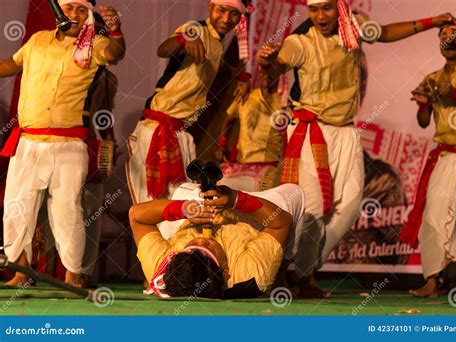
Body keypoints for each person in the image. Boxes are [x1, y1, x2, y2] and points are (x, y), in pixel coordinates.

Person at [257, 0, 456, 297]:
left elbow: (386, 32)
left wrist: (432, 21)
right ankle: (293, 276)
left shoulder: (354, 26)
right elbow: (277, 67)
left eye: (327, 8)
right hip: (311, 131)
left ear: (339, 6)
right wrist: (268, 63)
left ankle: (301, 270)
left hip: (346, 132)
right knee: (311, 210)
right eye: (314, 10)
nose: (320, 16)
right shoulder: (299, 42)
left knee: (350, 207)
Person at [0, 0, 125, 287]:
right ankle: (20, 273)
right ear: (59, 12)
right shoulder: (38, 40)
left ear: (89, 17)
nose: (74, 15)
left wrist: (116, 29)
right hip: (29, 142)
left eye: (82, 10)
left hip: (69, 145)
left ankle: (73, 275)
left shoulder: (95, 44)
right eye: (69, 8)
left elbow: (116, 53)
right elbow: (13, 64)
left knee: (68, 210)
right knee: (18, 206)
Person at [126, 0, 251, 204]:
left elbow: (220, 67)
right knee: (150, 203)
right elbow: (163, 50)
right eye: (221, 10)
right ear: (210, 7)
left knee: (179, 201)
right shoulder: (196, 29)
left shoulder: (217, 43)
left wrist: (243, 77)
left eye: (233, 14)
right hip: (158, 127)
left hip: (181, 132)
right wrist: (184, 39)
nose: (227, 19)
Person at [129, 182, 305, 298]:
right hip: (247, 219)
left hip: (192, 216)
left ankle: (205, 192)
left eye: (191, 248)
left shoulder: (163, 265)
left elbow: (136, 216)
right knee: (294, 194)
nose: (200, 240)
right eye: (208, 249)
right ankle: (280, 276)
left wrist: (183, 209)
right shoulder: (251, 274)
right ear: (225, 272)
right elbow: (281, 223)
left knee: (183, 190)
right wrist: (236, 199)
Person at [400, 24, 456, 297]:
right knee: (434, 216)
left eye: (454, 35)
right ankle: (432, 278)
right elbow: (423, 123)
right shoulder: (431, 79)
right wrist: (423, 105)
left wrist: (452, 95)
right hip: (446, 155)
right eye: (443, 37)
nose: (448, 40)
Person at [214, 69, 284, 192]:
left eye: (271, 72)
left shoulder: (283, 102)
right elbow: (228, 120)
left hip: (268, 166)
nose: (267, 76)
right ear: (260, 73)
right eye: (264, 72)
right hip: (242, 162)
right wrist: (222, 145)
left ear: (279, 75)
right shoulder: (245, 96)